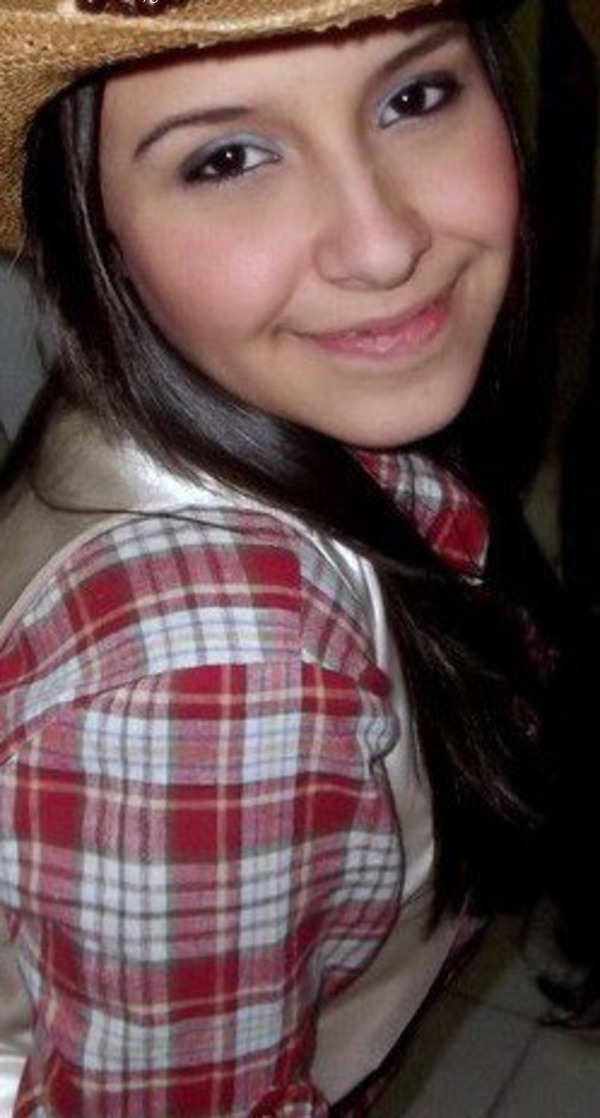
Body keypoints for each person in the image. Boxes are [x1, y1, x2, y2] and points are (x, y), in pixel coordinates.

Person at [0, 0, 554, 1113]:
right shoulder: (218, 687)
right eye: (227, 158)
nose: (383, 244)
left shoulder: (183, 386)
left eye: (415, 96)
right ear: (96, 232)